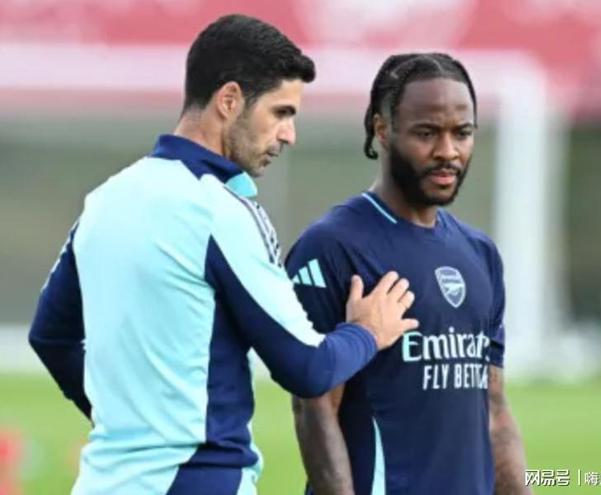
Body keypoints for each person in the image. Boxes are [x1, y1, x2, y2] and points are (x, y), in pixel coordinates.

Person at [28, 15, 418, 495]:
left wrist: (126, 423)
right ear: (229, 100)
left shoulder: (105, 199)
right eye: (281, 113)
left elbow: (51, 337)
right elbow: (307, 367)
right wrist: (366, 332)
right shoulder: (218, 210)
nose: (289, 134)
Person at [287, 53, 531, 495]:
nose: (448, 151)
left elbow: (494, 411)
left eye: (462, 133)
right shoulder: (332, 247)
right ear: (382, 130)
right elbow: (314, 408)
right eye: (426, 133)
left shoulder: (480, 254)